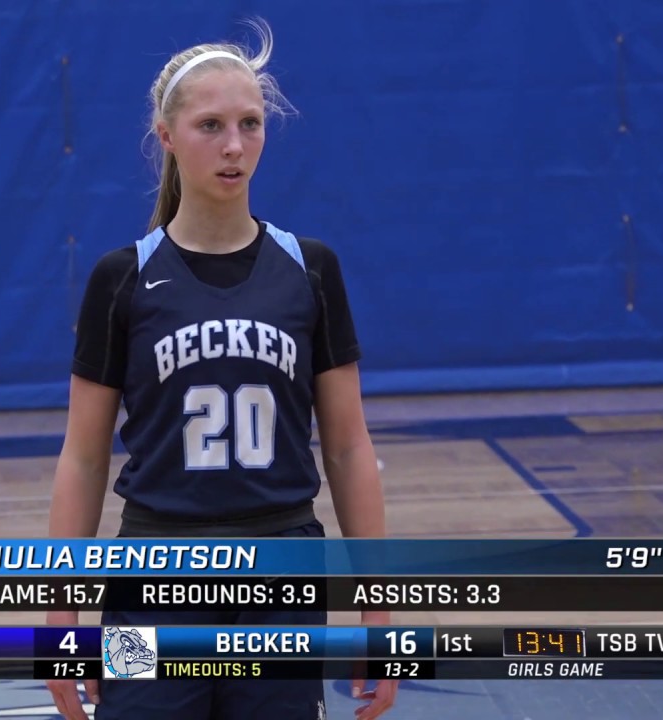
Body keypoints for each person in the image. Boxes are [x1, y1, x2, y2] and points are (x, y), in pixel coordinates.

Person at [45, 19, 397, 720]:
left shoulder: (310, 269)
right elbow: (82, 459)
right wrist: (61, 618)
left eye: (250, 124)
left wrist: (378, 610)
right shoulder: (123, 278)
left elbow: (349, 448)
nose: (234, 145)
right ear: (167, 136)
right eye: (211, 125)